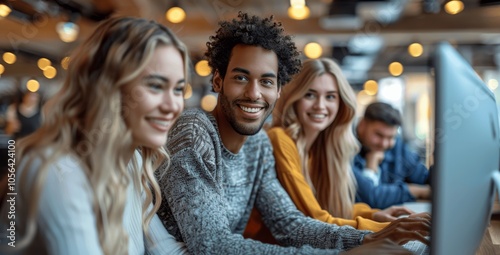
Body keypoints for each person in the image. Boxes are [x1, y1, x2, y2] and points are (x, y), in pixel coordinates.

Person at [156, 12, 429, 255]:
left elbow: (289, 223)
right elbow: (213, 246)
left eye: (266, 81)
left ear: (277, 91)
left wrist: (369, 237)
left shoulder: (258, 144)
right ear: (218, 80)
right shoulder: (194, 131)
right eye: (241, 77)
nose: (254, 93)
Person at [2, 17, 188, 255]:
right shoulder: (58, 170)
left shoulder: (132, 160)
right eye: (155, 85)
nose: (173, 105)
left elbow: (165, 249)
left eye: (178, 89)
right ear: (109, 87)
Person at [244, 58, 424, 244]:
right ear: (295, 98)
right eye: (310, 95)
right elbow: (316, 220)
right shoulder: (279, 139)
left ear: (340, 104)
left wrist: (375, 215)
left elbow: (332, 208)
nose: (320, 106)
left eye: (330, 96)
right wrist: (388, 228)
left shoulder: (319, 149)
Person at [353, 101, 431, 209]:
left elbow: (423, 177)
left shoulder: (398, 147)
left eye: (390, 137)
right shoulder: (345, 149)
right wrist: (417, 191)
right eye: (378, 135)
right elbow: (369, 198)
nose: (384, 144)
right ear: (362, 125)